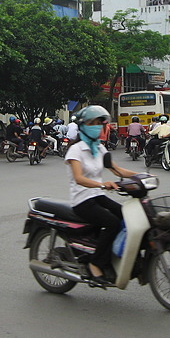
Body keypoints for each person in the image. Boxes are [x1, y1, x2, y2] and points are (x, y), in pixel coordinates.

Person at [65, 105, 138, 284]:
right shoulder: (76, 150)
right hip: (82, 199)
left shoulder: (99, 148)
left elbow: (116, 169)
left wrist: (141, 176)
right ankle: (96, 264)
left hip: (97, 195)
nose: (97, 126)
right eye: (93, 123)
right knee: (112, 223)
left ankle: (111, 253)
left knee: (125, 215)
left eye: (100, 123)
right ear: (83, 125)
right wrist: (101, 184)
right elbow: (79, 178)